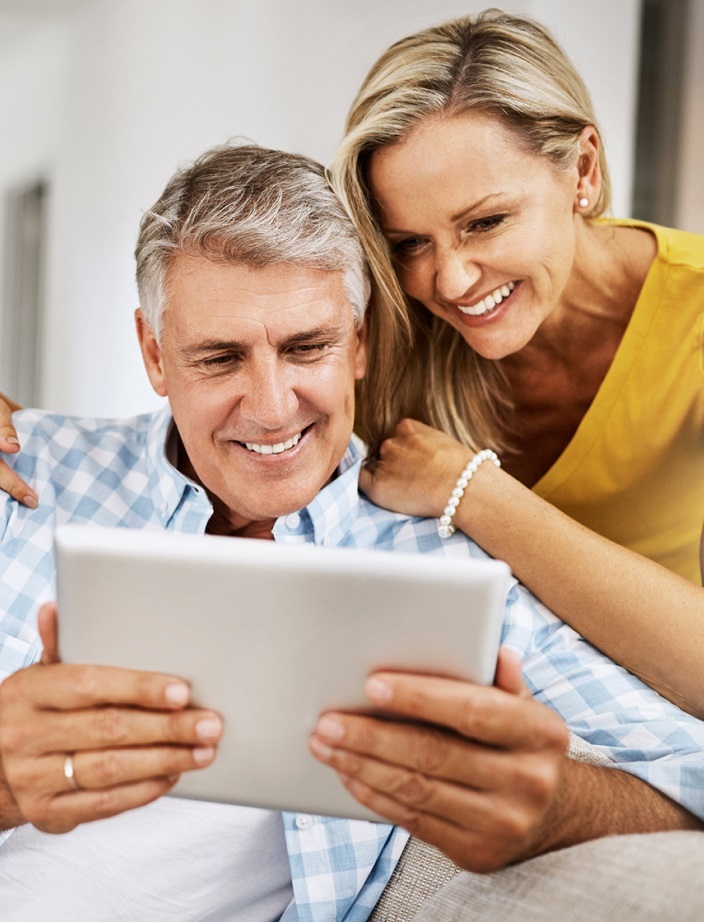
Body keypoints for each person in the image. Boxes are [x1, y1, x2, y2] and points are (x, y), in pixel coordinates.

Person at [0, 141, 704, 922]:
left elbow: (690, 772)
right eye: (219, 359)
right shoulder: (23, 476)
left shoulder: (448, 567)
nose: (271, 407)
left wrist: (559, 803)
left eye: (307, 348)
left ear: (361, 343)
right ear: (154, 353)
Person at [327, 8, 704, 717]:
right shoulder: (389, 331)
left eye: (485, 222)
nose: (452, 282)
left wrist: (472, 492)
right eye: (411, 243)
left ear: (582, 171)